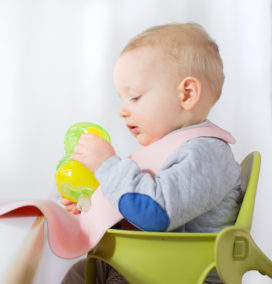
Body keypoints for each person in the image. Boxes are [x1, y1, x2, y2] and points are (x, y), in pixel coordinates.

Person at [61, 22, 242, 284]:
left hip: (178, 274)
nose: (122, 110)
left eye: (134, 97)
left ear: (187, 94)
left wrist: (107, 166)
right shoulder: (174, 149)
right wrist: (94, 200)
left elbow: (155, 214)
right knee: (79, 273)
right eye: (121, 99)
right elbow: (141, 207)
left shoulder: (206, 153)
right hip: (152, 264)